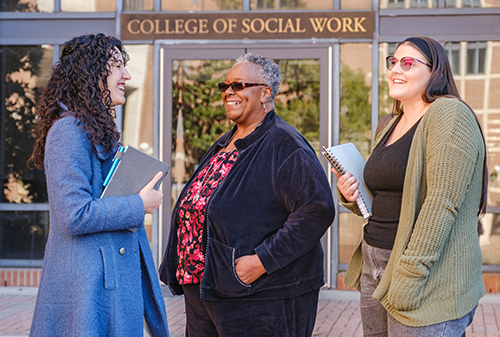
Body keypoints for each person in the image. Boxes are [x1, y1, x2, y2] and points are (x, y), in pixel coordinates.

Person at [159, 53, 335, 336]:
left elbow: (317, 209)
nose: (229, 92)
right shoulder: (226, 142)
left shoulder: (284, 143)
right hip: (206, 287)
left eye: (239, 85)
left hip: (259, 295)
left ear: (265, 93)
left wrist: (262, 261)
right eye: (225, 86)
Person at [335, 36, 487, 336]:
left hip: (424, 274)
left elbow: (442, 202)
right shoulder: (388, 124)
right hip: (373, 260)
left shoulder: (449, 114)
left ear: (435, 72)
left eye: (407, 63)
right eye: (393, 62)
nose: (395, 69)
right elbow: (386, 193)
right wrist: (350, 195)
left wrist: (410, 275)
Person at [28, 33, 169, 337]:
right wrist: (138, 205)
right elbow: (73, 214)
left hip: (104, 282)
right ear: (92, 72)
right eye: (117, 66)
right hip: (89, 290)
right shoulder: (68, 131)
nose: (126, 75)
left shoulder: (91, 128)